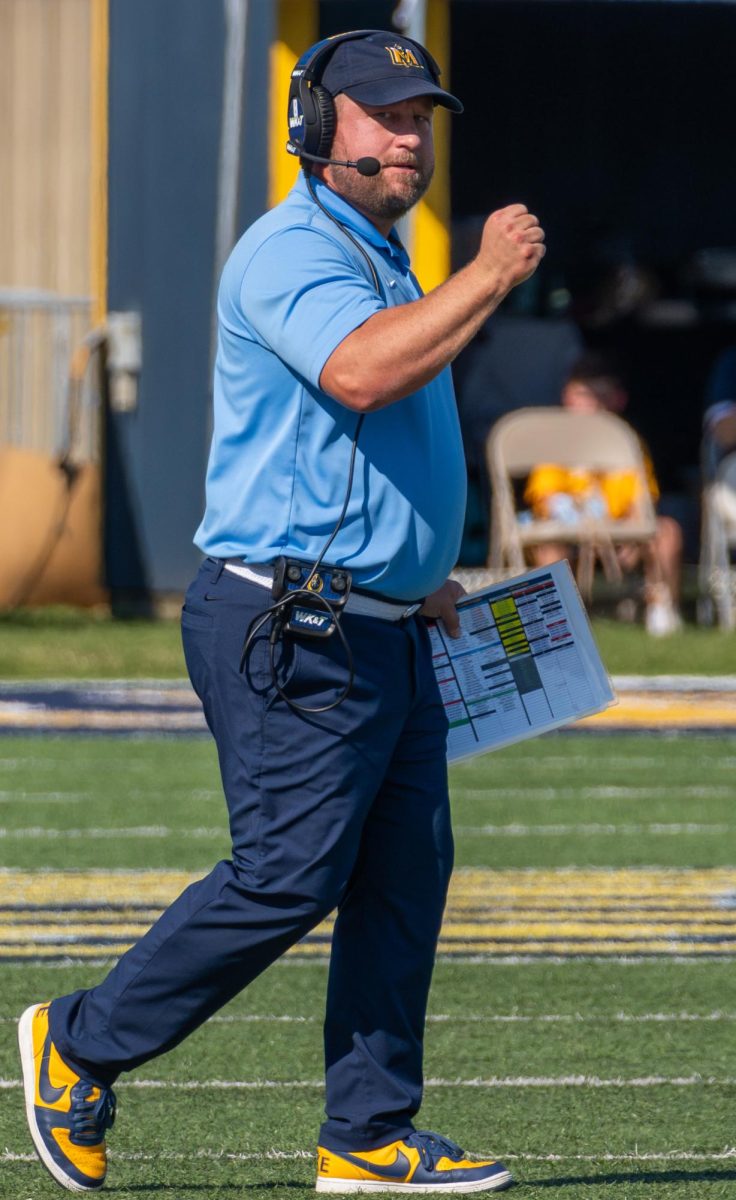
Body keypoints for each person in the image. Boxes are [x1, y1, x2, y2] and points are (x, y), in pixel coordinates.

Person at [19, 29, 544, 1195]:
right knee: (291, 872)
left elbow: (360, 446)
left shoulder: (381, 255)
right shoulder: (293, 250)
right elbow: (360, 375)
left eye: (421, 117)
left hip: (381, 619)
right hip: (288, 624)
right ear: (317, 127)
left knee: (405, 877)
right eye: (382, 113)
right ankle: (78, 1041)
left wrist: (418, 576)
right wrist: (488, 276)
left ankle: (366, 1135)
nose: (408, 136)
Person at [524, 355, 683, 635]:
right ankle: (560, 621)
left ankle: (663, 610)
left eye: (602, 396)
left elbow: (643, 500)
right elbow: (547, 500)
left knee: (667, 531)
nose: (592, 404)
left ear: (618, 400)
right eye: (584, 395)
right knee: (549, 545)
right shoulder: (556, 440)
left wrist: (632, 533)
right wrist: (585, 527)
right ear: (568, 397)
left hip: (620, 537)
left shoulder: (628, 442)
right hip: (570, 535)